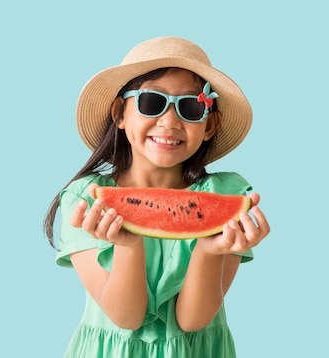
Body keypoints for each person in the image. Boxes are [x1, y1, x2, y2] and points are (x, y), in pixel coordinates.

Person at [43, 36, 270, 357]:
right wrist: (129, 243)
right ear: (119, 113)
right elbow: (126, 317)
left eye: (191, 107)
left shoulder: (227, 194)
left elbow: (193, 320)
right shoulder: (87, 199)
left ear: (209, 125)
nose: (169, 122)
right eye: (152, 102)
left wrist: (209, 247)